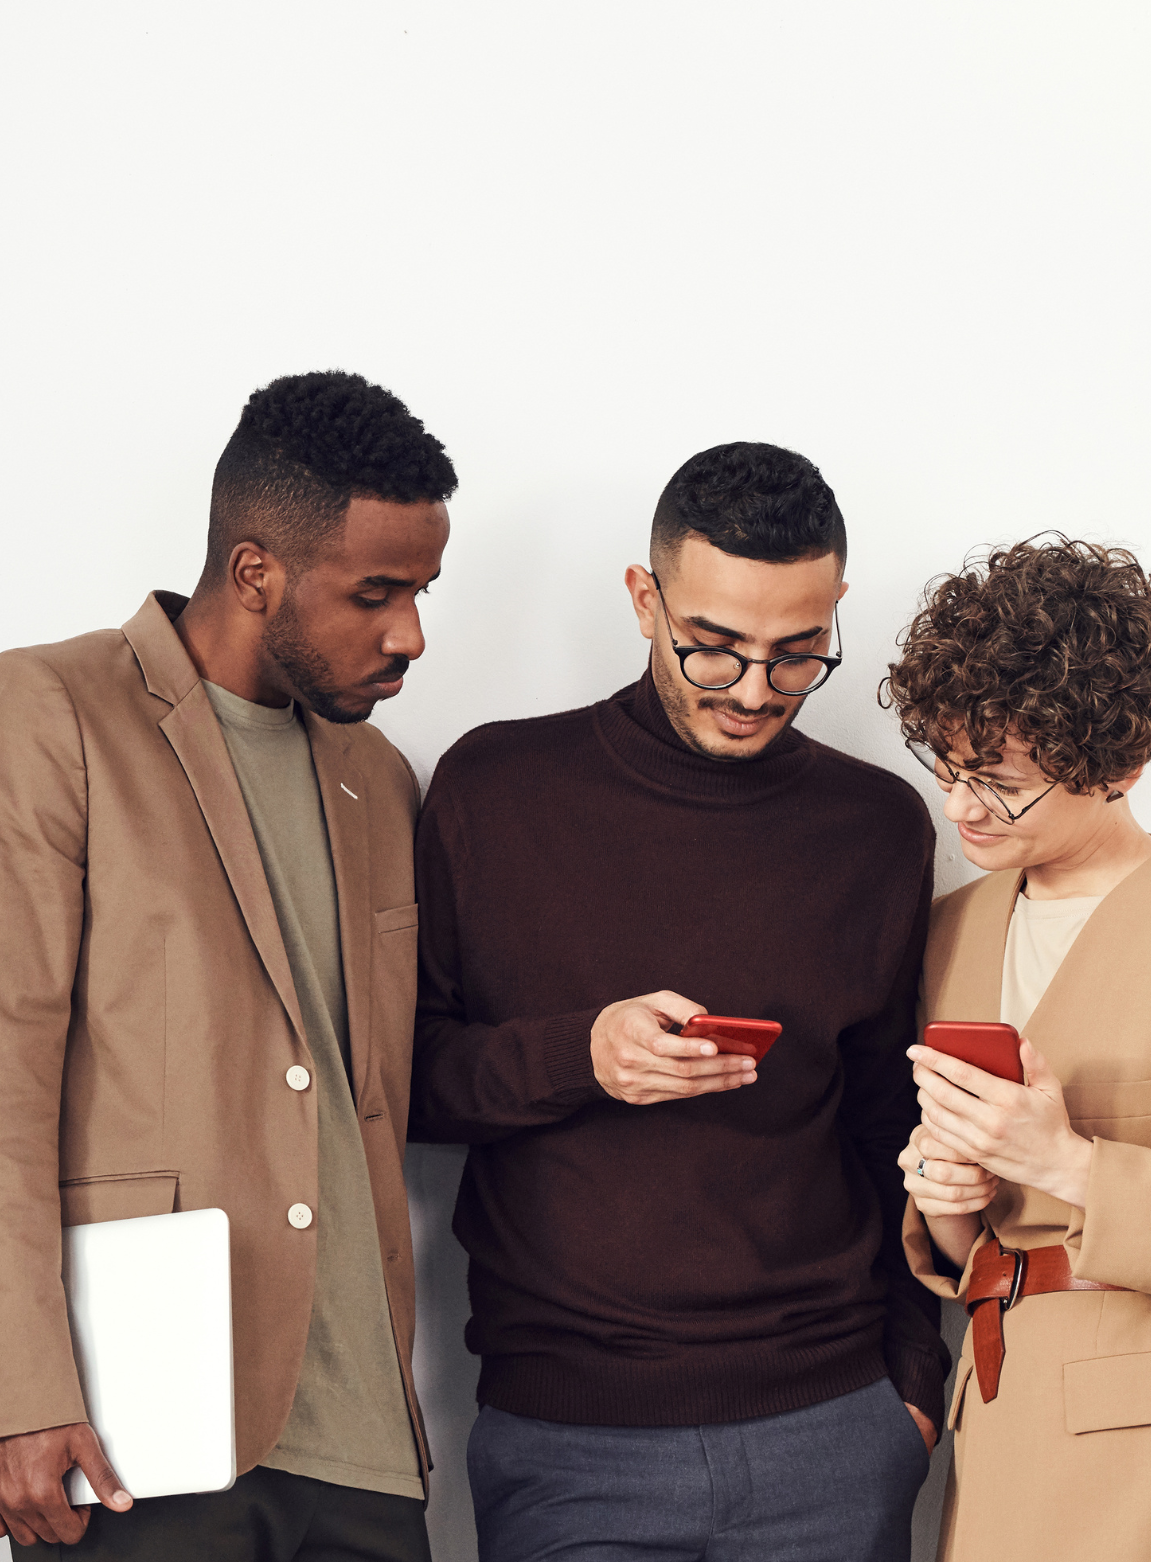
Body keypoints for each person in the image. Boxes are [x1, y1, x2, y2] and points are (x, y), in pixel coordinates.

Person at [0, 371, 456, 1561]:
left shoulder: (381, 781)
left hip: (366, 1438)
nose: (410, 633)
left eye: (421, 590)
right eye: (376, 593)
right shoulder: (45, 709)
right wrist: (7, 1389)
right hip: (140, 1424)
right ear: (255, 569)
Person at [407, 442, 945, 1561]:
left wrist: (911, 1377)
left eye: (797, 654)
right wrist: (578, 1057)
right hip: (570, 1441)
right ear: (644, 601)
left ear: (836, 606)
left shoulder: (878, 828)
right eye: (713, 649)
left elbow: (888, 1128)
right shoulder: (495, 789)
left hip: (835, 1427)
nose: (753, 690)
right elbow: (401, 1082)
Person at [883, 537, 1151, 1559]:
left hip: (1146, 1450)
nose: (961, 806)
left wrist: (1070, 1164)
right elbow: (991, 1255)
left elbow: (1062, 1189)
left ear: (1119, 761)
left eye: (998, 780)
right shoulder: (954, 925)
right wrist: (950, 1206)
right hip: (998, 1419)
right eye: (949, 768)